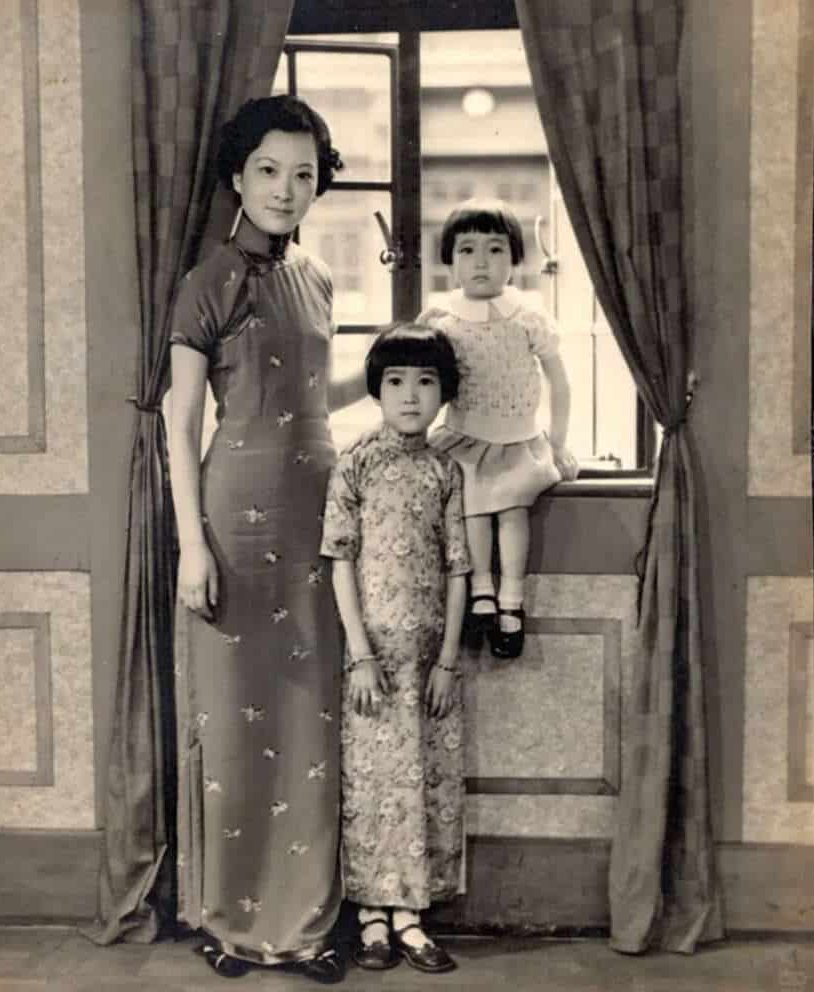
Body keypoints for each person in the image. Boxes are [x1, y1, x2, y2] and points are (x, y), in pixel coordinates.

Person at [168, 95, 366, 983]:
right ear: (236, 179)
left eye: (304, 172)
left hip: (317, 517)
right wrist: (191, 546)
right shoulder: (208, 280)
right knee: (235, 722)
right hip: (233, 521)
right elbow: (177, 428)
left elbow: (319, 399)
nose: (288, 189)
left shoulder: (318, 279)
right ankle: (229, 922)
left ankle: (307, 925)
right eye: (269, 171)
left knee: (309, 718)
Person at [320, 324, 471, 975]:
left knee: (422, 784)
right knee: (370, 786)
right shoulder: (354, 463)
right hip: (370, 661)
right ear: (377, 391)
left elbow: (459, 569)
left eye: (426, 381)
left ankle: (411, 918)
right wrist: (359, 654)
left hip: (427, 662)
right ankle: (371, 918)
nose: (410, 395)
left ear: (443, 393)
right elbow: (339, 563)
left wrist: (446, 662)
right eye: (396, 381)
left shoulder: (446, 470)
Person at [418, 198, 578, 660]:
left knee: (511, 510)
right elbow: (423, 382)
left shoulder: (527, 317)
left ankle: (512, 600)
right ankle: (481, 590)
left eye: (495, 249)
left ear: (514, 259)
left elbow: (560, 383)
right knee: (470, 506)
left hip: (518, 439)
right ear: (450, 259)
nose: (482, 262)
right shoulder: (441, 320)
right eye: (468, 250)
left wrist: (560, 443)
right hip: (464, 437)